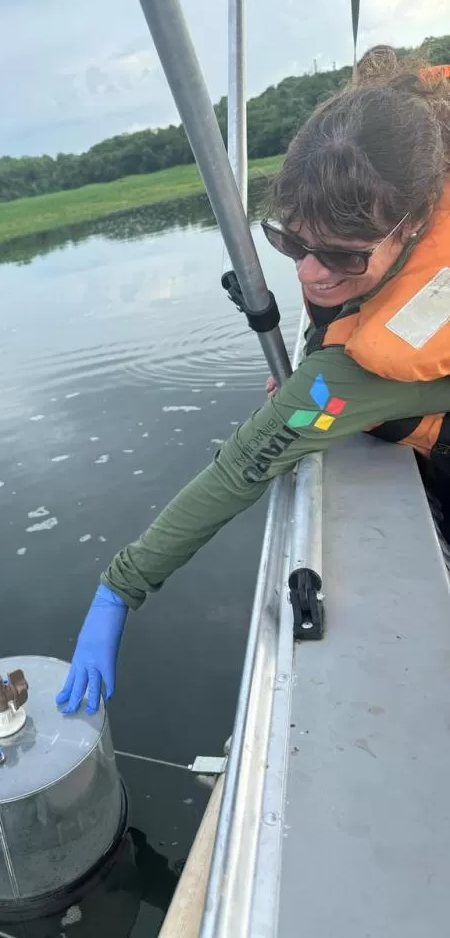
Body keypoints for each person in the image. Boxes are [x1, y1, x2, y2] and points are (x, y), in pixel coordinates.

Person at [56, 51, 450, 716]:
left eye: (346, 257)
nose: (311, 276)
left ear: (412, 225)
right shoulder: (416, 158)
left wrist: (118, 589)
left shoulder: (386, 352)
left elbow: (247, 463)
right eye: (292, 243)